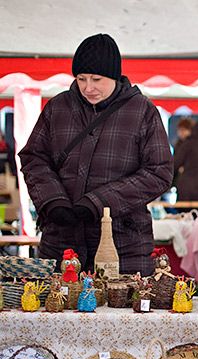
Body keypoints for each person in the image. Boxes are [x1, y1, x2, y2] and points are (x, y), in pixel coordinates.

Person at [20, 33, 173, 276]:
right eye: (81, 79)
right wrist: (52, 201)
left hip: (124, 246)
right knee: (54, 312)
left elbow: (159, 173)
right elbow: (33, 158)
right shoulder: (57, 108)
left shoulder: (142, 110)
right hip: (61, 243)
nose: (88, 87)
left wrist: (99, 203)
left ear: (114, 76)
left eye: (96, 79)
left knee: (121, 313)